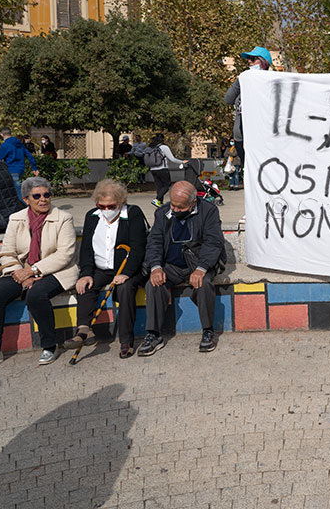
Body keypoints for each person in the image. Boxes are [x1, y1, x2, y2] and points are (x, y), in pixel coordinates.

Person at [0, 177, 78, 372]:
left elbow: (65, 255)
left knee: (36, 294)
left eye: (47, 195)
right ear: (26, 199)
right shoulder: (16, 218)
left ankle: (49, 346)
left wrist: (33, 270)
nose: (43, 199)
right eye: (37, 196)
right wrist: (21, 273)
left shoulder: (63, 218)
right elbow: (8, 251)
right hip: (21, 270)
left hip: (57, 271)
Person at [139, 181, 226, 357]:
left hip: (197, 263)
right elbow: (154, 241)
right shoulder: (162, 213)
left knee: (204, 284)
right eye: (173, 204)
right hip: (171, 265)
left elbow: (213, 242)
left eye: (180, 207)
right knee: (153, 284)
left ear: (193, 202)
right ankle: (154, 334)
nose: (175, 210)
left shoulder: (208, 211)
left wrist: (202, 268)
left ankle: (208, 330)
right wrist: (156, 267)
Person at [64, 179, 148, 359]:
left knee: (125, 289)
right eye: (102, 206)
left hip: (128, 268)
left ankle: (126, 340)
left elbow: (138, 248)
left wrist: (126, 273)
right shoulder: (92, 216)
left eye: (111, 206)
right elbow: (86, 248)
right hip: (102, 268)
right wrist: (86, 273)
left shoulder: (133, 214)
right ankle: (84, 330)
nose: (107, 210)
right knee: (84, 285)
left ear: (121, 202)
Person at [224, 46, 273, 166]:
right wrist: (239, 81)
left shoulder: (271, 83)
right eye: (248, 59)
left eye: (253, 58)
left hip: (260, 138)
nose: (249, 61)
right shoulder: (243, 83)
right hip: (241, 138)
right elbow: (228, 99)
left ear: (264, 63)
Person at [0, 127, 38, 198]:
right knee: (15, 192)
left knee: (18, 195)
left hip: (11, 170)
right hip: (21, 169)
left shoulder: (5, 145)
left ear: (1, 135)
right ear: (11, 134)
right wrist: (34, 168)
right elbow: (30, 156)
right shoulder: (20, 144)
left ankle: (27, 207)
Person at [147, 133, 185, 208]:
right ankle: (157, 199)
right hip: (162, 168)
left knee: (159, 186)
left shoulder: (151, 147)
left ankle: (159, 202)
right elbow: (172, 159)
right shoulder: (164, 147)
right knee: (167, 185)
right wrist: (182, 162)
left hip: (153, 169)